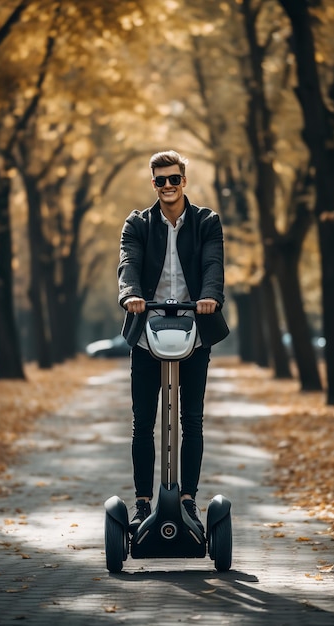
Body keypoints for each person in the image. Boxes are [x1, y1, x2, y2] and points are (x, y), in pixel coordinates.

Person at [117, 149, 229, 535]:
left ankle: (188, 500)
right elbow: (128, 264)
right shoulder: (138, 223)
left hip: (194, 328)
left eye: (174, 179)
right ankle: (142, 503)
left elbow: (213, 264)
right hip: (147, 329)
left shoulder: (206, 222)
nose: (168, 186)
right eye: (160, 180)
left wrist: (210, 295)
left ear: (184, 180)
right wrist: (130, 293)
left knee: (192, 421)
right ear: (153, 184)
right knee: (142, 423)